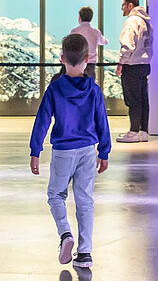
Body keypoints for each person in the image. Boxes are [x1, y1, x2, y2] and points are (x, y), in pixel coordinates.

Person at [29, 33, 112, 269]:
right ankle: (85, 253)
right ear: (87, 59)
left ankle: (65, 234)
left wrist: (35, 150)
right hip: (87, 150)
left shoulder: (55, 89)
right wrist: (104, 152)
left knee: (56, 195)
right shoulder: (94, 91)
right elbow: (102, 122)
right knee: (85, 200)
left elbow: (42, 120)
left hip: (63, 151)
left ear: (62, 58)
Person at [115, 0, 152, 143]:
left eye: (123, 5)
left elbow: (127, 45)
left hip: (132, 65)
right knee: (143, 98)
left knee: (133, 99)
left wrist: (121, 63)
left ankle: (134, 131)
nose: (122, 8)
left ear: (130, 5)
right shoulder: (146, 21)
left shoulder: (132, 21)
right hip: (144, 64)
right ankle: (143, 131)